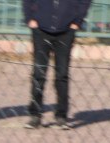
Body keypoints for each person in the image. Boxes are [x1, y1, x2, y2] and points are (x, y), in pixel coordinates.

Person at [23, 0, 92, 129]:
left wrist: (77, 21)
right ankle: (35, 115)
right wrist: (30, 18)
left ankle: (61, 116)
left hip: (66, 30)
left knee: (62, 74)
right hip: (41, 28)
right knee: (39, 73)